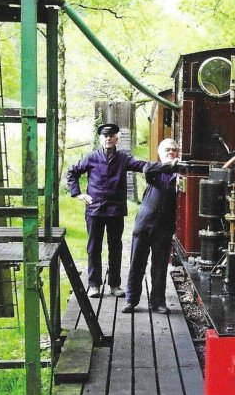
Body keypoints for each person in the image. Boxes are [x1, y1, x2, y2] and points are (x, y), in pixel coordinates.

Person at [66, 123, 177, 298]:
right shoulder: (91, 157)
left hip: (115, 212)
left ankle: (114, 284)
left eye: (112, 136)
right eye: (105, 136)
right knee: (94, 247)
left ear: (117, 139)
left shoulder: (123, 159)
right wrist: (78, 194)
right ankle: (94, 284)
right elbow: (72, 172)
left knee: (115, 247)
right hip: (94, 210)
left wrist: (168, 166)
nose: (108, 139)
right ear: (101, 139)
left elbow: (143, 166)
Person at [122, 138, 182, 314]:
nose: (171, 152)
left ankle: (157, 302)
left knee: (160, 265)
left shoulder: (180, 173)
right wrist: (170, 166)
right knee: (137, 262)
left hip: (164, 226)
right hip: (144, 224)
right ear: (159, 152)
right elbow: (146, 169)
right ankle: (131, 300)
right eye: (167, 150)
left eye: (174, 150)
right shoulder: (154, 168)